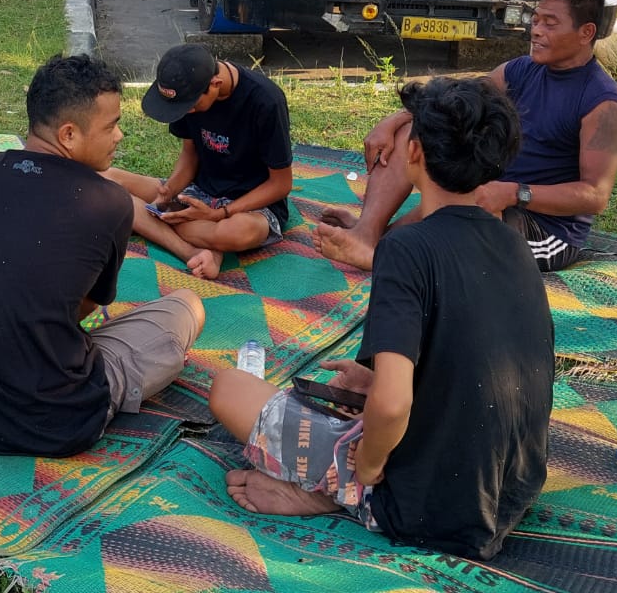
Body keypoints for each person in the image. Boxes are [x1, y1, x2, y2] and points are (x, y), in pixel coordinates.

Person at [209, 77, 553, 560]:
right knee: (366, 396)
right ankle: (342, 481)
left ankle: (335, 494)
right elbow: (482, 356)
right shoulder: (512, 240)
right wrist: (374, 381)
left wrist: (366, 469)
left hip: (426, 510)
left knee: (230, 388)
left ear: (414, 152)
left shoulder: (405, 250)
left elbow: (392, 408)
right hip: (513, 487)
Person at [0, 54, 205, 456]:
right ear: (68, 135)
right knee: (187, 306)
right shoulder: (109, 202)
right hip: (53, 422)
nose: (119, 137)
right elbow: (83, 308)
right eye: (112, 125)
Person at [316, 0, 617, 273]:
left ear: (586, 32)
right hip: (486, 196)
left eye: (550, 23)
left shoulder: (603, 104)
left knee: (472, 211)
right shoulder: (520, 70)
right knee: (412, 136)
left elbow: (594, 196)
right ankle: (369, 235)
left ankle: (385, 256)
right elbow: (452, 100)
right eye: (535, 20)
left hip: (544, 229)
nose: (535, 31)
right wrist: (393, 120)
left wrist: (514, 193)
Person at [101, 43, 293, 281]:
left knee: (235, 232)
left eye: (190, 107)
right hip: (199, 193)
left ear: (215, 85)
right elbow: (190, 156)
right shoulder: (187, 99)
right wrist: (169, 189)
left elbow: (281, 184)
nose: (187, 112)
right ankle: (196, 243)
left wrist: (221, 213)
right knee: (105, 178)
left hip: (249, 205)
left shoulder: (266, 101)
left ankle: (144, 217)